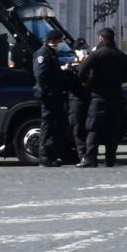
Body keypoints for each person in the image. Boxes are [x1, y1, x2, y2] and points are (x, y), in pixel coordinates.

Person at [78, 28, 127, 168]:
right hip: (116, 96)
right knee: (113, 129)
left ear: (101, 38)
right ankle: (110, 159)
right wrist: (117, 80)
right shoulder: (121, 55)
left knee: (93, 128)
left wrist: (86, 82)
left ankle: (90, 158)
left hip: (98, 96)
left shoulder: (97, 54)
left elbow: (82, 69)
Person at [31, 31, 79, 167]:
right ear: (51, 40)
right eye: (59, 40)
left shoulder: (51, 53)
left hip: (56, 94)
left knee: (61, 124)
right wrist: (49, 91)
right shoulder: (43, 54)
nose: (61, 43)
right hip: (49, 96)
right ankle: (45, 156)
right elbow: (40, 75)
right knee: (48, 125)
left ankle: (53, 153)